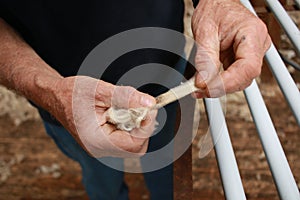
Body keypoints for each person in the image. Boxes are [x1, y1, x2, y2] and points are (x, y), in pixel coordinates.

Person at [0, 0, 271, 199]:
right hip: (64, 99)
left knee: (165, 164)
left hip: (165, 69)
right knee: (100, 177)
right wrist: (49, 89)